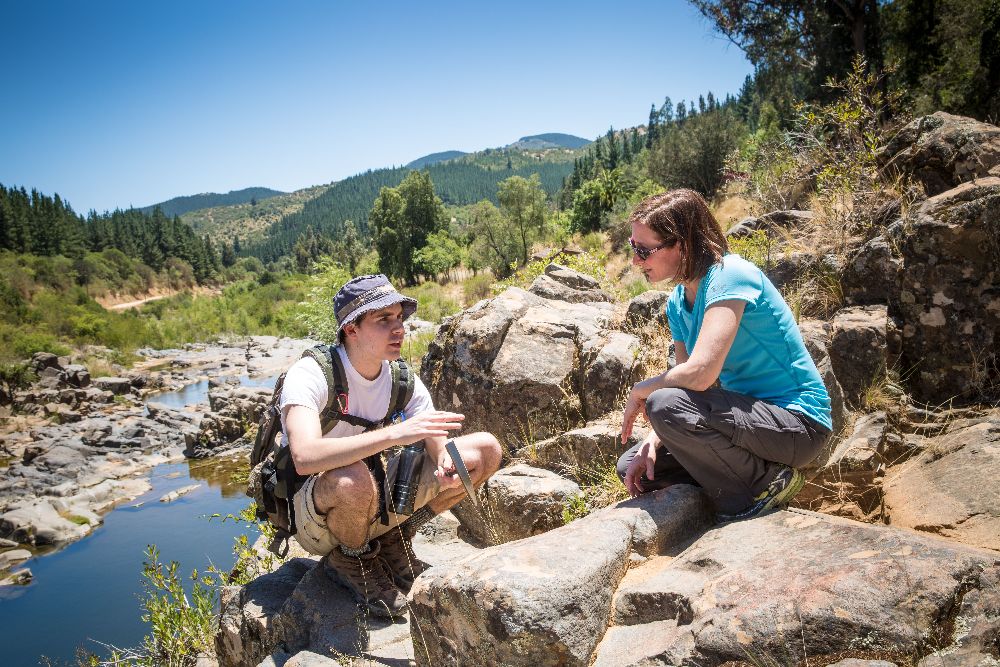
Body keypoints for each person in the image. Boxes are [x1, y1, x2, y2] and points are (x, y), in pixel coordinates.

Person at [281, 274, 502, 618]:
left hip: (374, 495)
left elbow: (438, 444)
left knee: (484, 450)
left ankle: (395, 538)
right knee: (351, 478)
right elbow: (304, 457)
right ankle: (351, 560)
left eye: (399, 317)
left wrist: (446, 465)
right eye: (383, 320)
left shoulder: (400, 378)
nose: (399, 328)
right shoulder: (311, 374)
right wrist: (393, 435)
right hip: (320, 513)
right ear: (350, 329)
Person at [618, 189, 832, 521]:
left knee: (663, 404)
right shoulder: (678, 301)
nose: (636, 260)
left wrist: (641, 390)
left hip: (798, 424)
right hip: (747, 424)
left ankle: (766, 483)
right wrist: (654, 439)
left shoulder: (729, 275)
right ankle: (738, 481)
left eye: (644, 250)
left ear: (682, 245)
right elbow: (686, 386)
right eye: (634, 248)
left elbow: (700, 374)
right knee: (635, 466)